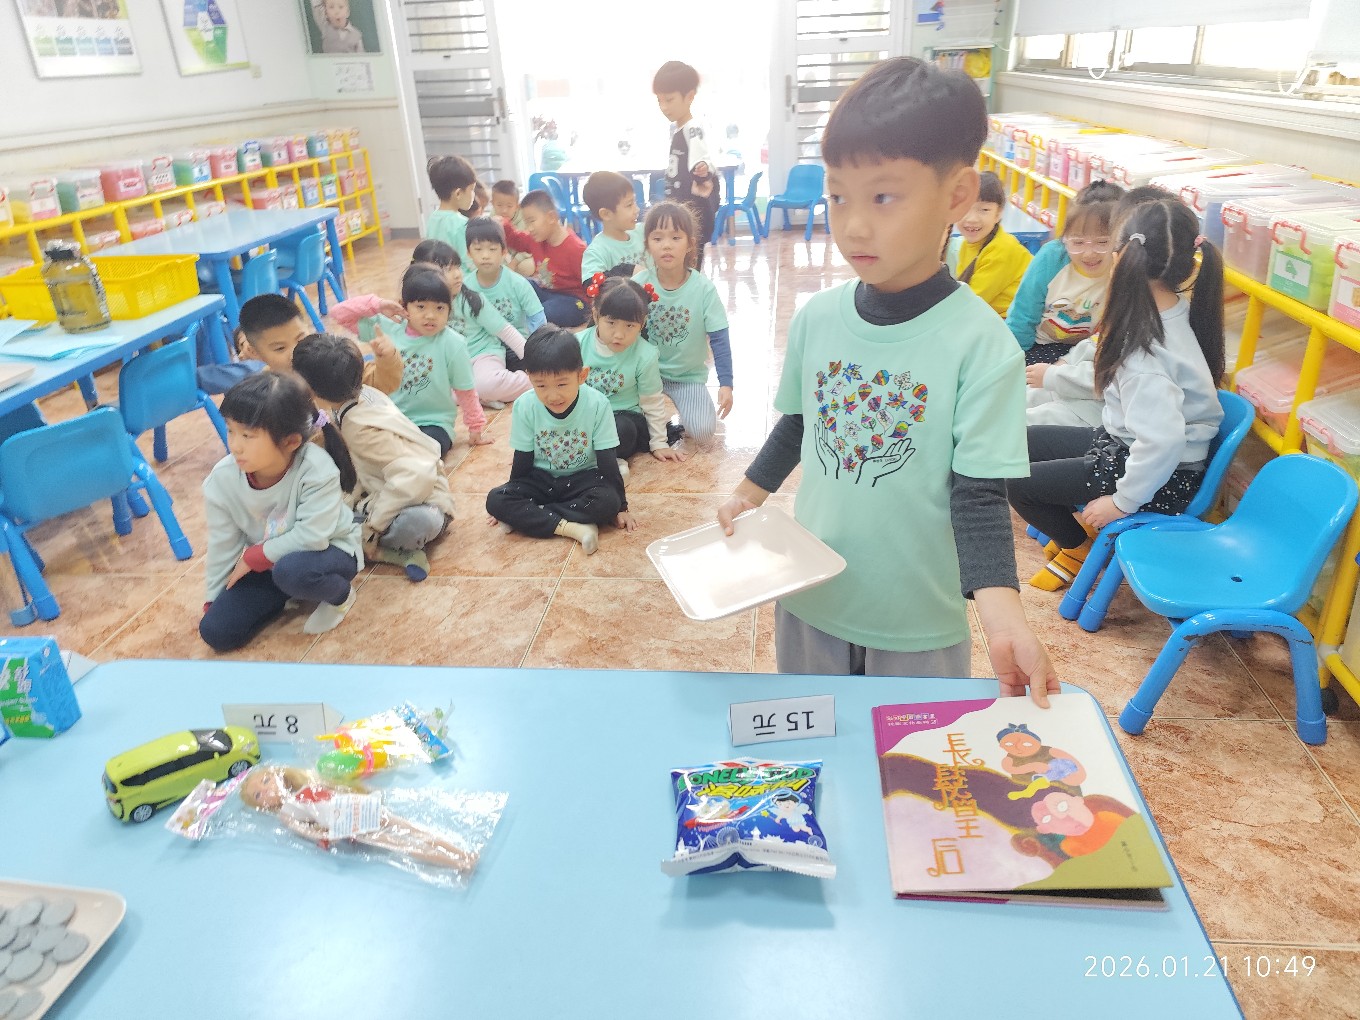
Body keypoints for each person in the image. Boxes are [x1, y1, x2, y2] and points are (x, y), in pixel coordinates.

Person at [714, 57, 1057, 705]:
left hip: (915, 623)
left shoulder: (984, 347)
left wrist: (1006, 622)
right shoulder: (818, 318)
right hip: (811, 598)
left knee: (908, 758)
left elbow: (979, 497)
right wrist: (747, 493)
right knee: (818, 740)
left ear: (957, 195)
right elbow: (799, 422)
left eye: (883, 197)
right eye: (838, 195)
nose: (853, 225)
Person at [1006, 197, 1226, 592]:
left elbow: (1162, 442)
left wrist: (1122, 502)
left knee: (1015, 482)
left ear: (1123, 257)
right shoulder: (1171, 310)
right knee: (1019, 443)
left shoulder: (1145, 355)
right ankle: (1076, 531)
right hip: (1129, 446)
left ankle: (1078, 548)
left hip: (1160, 474)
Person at [200, 373, 363, 651]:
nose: (235, 445)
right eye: (230, 430)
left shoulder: (316, 469)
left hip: (329, 550)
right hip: (271, 562)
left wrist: (254, 556)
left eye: (248, 435)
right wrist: (213, 599)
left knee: (291, 571)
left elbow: (313, 537)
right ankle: (283, 594)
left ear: (291, 441)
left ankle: (341, 595)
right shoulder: (222, 479)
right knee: (216, 631)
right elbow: (222, 543)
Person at [292, 333, 456, 583]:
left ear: (310, 388)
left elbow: (416, 475)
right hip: (391, 491)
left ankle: (379, 548)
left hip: (424, 501)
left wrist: (374, 526)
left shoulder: (358, 427)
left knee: (415, 523)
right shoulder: (361, 394)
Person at [1025, 186, 1169, 428]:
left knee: (1014, 423)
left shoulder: (1149, 319)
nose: (1093, 253)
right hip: (1079, 387)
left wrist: (1054, 375)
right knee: (1010, 401)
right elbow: (1097, 345)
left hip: (1097, 411)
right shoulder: (1135, 300)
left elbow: (1111, 377)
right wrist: (1064, 366)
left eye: (1106, 243)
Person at [486, 326, 633, 555]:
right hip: (541, 478)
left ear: (581, 375)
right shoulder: (524, 405)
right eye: (541, 385)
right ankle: (572, 527)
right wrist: (512, 492)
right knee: (496, 500)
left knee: (608, 502)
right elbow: (523, 458)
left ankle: (534, 515)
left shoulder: (597, 404)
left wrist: (622, 506)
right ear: (529, 378)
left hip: (584, 478)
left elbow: (607, 460)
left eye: (562, 384)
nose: (552, 395)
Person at [328, 266, 488, 457]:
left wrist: (475, 427)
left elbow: (465, 390)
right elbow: (338, 313)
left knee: (425, 452)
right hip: (389, 419)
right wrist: (378, 304)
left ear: (449, 310)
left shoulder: (453, 343)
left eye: (439, 308)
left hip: (434, 423)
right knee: (365, 448)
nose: (430, 315)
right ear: (404, 307)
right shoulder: (387, 328)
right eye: (421, 307)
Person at [238, 765, 477, 871]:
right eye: (258, 795)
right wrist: (325, 835)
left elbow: (336, 788)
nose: (266, 790)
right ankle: (457, 863)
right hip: (345, 823)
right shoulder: (286, 813)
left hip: (355, 804)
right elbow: (305, 830)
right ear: (261, 805)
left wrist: (360, 791)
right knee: (402, 844)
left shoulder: (307, 781)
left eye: (266, 780)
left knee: (412, 829)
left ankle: (461, 853)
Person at [632, 201, 732, 447]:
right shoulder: (638, 285)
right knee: (633, 430)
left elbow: (719, 338)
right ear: (647, 244)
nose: (666, 245)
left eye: (675, 237)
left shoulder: (704, 289)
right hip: (645, 375)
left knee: (703, 432)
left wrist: (726, 383)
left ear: (689, 244)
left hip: (687, 377)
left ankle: (684, 417)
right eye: (657, 238)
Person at [1005, 180, 1125, 366]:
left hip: (1092, 350)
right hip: (1042, 344)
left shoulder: (1122, 265)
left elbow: (1119, 330)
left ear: (1120, 239)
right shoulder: (1052, 258)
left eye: (1102, 242)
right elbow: (1023, 314)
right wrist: (1012, 360)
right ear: (1065, 238)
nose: (1089, 253)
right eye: (1078, 242)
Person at [200, 293, 402, 395]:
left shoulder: (330, 361)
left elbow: (383, 383)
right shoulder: (267, 392)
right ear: (255, 353)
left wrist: (387, 359)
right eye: (280, 348)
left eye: (300, 338)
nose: (295, 350)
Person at [579, 275, 684, 467]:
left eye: (629, 326)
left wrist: (659, 442)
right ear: (596, 316)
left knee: (624, 431)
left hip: (623, 416)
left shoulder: (645, 355)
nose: (619, 334)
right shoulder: (577, 344)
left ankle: (597, 459)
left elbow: (652, 402)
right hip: (585, 415)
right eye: (611, 323)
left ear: (642, 324)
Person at [653, 60, 721, 272]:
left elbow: (703, 163)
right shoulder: (680, 129)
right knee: (684, 267)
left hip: (691, 216)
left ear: (690, 96)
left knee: (689, 268)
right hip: (682, 214)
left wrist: (702, 170)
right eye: (659, 100)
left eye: (669, 99)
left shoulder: (693, 129)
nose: (664, 107)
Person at [499, 190, 589, 327]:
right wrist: (503, 224)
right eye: (526, 223)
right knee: (516, 283)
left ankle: (526, 328)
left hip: (574, 301)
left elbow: (592, 286)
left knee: (545, 312)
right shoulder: (536, 239)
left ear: (551, 217)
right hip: (546, 291)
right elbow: (517, 240)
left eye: (531, 221)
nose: (529, 228)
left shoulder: (576, 249)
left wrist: (590, 323)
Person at [954, 171, 1032, 316]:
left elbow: (970, 301)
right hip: (989, 315)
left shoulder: (1002, 249)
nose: (972, 219)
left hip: (1011, 320)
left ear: (998, 214)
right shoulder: (967, 244)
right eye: (965, 209)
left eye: (984, 210)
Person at [463, 217, 546, 348]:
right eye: (478, 249)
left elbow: (538, 318)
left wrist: (535, 348)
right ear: (469, 253)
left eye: (492, 249)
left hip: (516, 346)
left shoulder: (518, 283)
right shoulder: (465, 287)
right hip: (482, 349)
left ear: (503, 251)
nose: (485, 256)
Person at [580, 171, 646, 280]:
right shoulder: (597, 251)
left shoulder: (643, 231)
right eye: (629, 205)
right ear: (606, 214)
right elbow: (591, 283)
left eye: (635, 202)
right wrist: (627, 270)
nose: (637, 210)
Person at [425, 154, 479, 263]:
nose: (473, 194)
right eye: (471, 189)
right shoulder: (462, 224)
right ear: (458, 193)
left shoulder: (432, 218)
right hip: (459, 273)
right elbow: (469, 261)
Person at [490, 180, 536, 277]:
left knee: (528, 266)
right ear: (492, 204)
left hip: (522, 256)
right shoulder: (493, 217)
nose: (504, 210)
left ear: (517, 206)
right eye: (499, 205)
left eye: (509, 206)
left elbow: (528, 246)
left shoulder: (524, 218)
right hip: (504, 255)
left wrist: (513, 264)